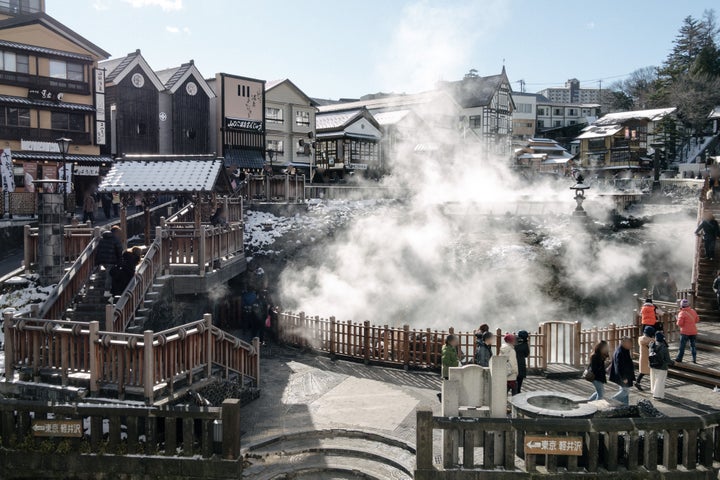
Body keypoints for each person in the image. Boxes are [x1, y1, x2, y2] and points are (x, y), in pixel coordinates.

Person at [95, 226, 123, 297]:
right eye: (119, 232)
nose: (120, 234)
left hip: (103, 260)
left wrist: (97, 260)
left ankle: (107, 289)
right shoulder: (115, 239)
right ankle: (107, 291)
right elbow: (119, 251)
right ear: (116, 232)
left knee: (109, 273)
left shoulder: (102, 239)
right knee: (109, 275)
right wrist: (120, 262)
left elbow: (98, 250)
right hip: (111, 259)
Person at [609, 337, 635, 406]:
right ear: (623, 343)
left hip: (625, 375)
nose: (631, 345)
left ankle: (626, 406)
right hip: (623, 376)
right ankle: (612, 399)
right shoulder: (620, 352)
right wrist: (623, 378)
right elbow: (618, 367)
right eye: (629, 343)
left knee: (624, 392)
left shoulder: (624, 350)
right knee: (625, 391)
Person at [649, 332, 673, 400]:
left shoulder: (651, 344)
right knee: (660, 381)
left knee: (653, 379)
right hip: (662, 366)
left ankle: (653, 391)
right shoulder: (664, 348)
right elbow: (668, 360)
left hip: (652, 364)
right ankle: (657, 395)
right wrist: (673, 363)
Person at [676, 298, 700, 363]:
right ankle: (694, 359)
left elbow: (679, 324)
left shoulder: (681, 313)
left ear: (681, 305)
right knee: (693, 346)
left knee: (682, 346)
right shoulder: (693, 311)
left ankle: (679, 358)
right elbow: (697, 320)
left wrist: (677, 319)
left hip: (685, 332)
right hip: (693, 331)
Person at [636, 326, 655, 391]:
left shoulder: (641, 339)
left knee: (643, 371)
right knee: (652, 371)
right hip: (649, 357)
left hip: (643, 357)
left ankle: (637, 382)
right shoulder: (650, 340)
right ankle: (654, 386)